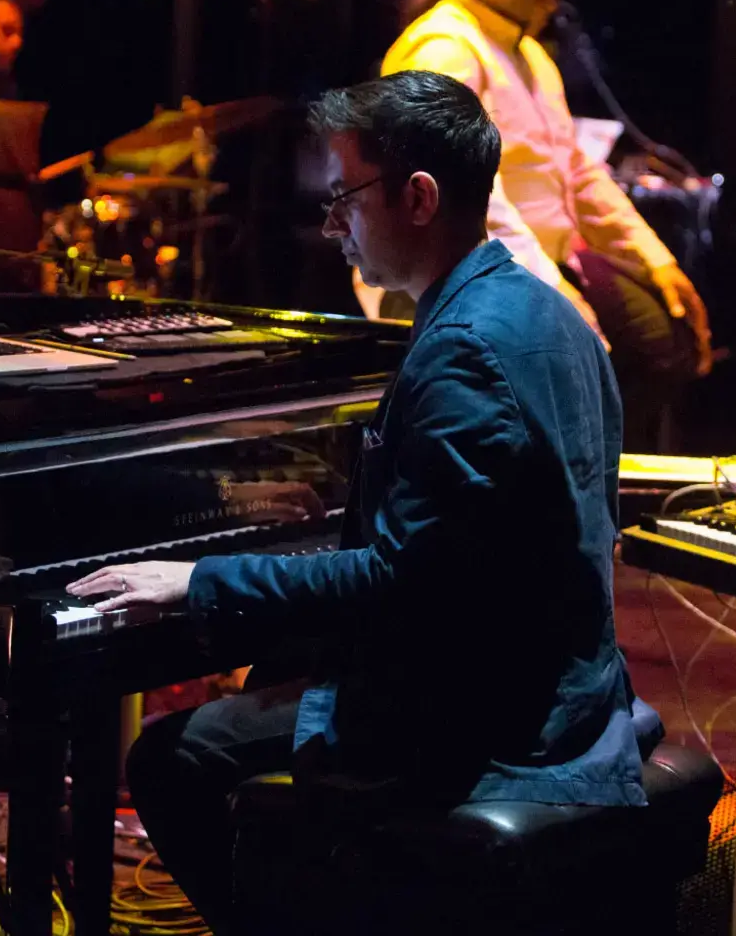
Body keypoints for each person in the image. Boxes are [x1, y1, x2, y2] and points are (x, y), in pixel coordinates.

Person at [71, 70, 651, 933]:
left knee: (172, 756)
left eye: (345, 196)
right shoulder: (548, 312)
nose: (331, 221)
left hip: (490, 720)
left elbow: (401, 584)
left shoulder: (460, 350)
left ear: (418, 197)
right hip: (558, 675)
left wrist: (195, 582)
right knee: (275, 680)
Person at [375, 0, 712, 450]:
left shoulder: (528, 54)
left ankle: (582, 488)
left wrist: (657, 262)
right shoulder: (443, 49)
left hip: (529, 268)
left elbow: (578, 174)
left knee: (665, 339)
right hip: (460, 281)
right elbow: (468, 205)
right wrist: (553, 297)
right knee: (612, 362)